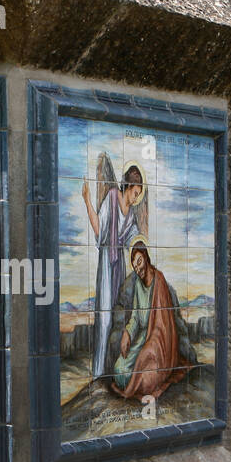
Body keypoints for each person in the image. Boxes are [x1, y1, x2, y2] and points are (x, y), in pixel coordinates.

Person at [83, 161, 146, 378]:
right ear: (128, 186)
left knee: (118, 316)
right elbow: (99, 229)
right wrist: (86, 201)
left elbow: (134, 239)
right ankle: (99, 372)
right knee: (104, 319)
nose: (136, 197)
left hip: (119, 262)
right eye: (135, 192)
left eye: (139, 194)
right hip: (107, 263)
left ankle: (111, 369)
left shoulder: (131, 214)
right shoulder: (111, 197)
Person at [112, 241, 193, 400]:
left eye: (139, 262)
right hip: (143, 336)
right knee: (119, 371)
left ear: (146, 258)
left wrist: (149, 348)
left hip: (158, 342)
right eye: (135, 266)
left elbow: (162, 326)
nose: (138, 268)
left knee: (147, 380)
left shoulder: (159, 281)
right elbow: (135, 316)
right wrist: (127, 333)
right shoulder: (137, 284)